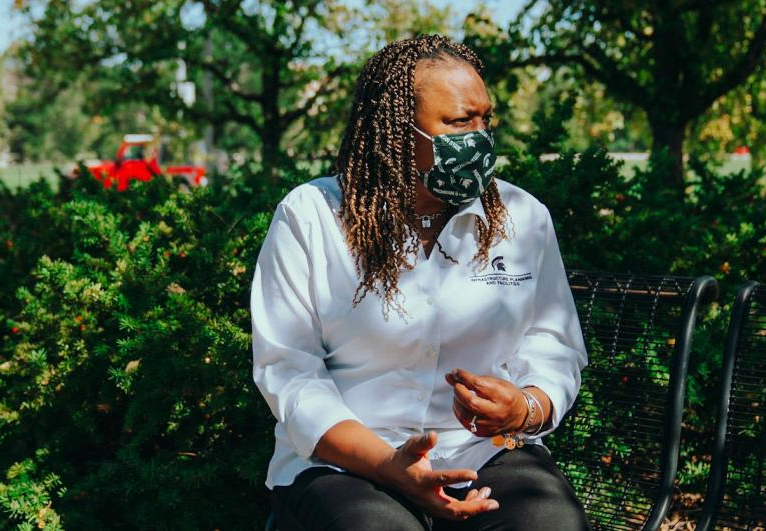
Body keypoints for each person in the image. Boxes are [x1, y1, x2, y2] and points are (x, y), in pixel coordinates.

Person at [249, 34, 591, 531]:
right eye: (458, 122)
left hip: (485, 454)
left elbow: (554, 345)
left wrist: (526, 406)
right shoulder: (312, 217)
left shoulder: (523, 218)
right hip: (349, 463)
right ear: (395, 132)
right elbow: (289, 371)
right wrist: (391, 467)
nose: (479, 137)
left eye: (485, 120)